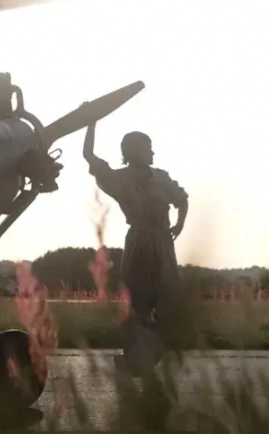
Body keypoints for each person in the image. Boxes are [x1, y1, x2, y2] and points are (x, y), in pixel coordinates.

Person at [82, 122, 188, 374]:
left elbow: (182, 199)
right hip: (139, 242)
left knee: (169, 302)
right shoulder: (119, 180)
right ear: (131, 152)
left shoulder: (161, 177)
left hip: (163, 243)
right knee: (136, 302)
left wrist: (180, 223)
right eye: (147, 148)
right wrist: (91, 121)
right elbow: (89, 156)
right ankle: (132, 358)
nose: (152, 153)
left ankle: (146, 355)